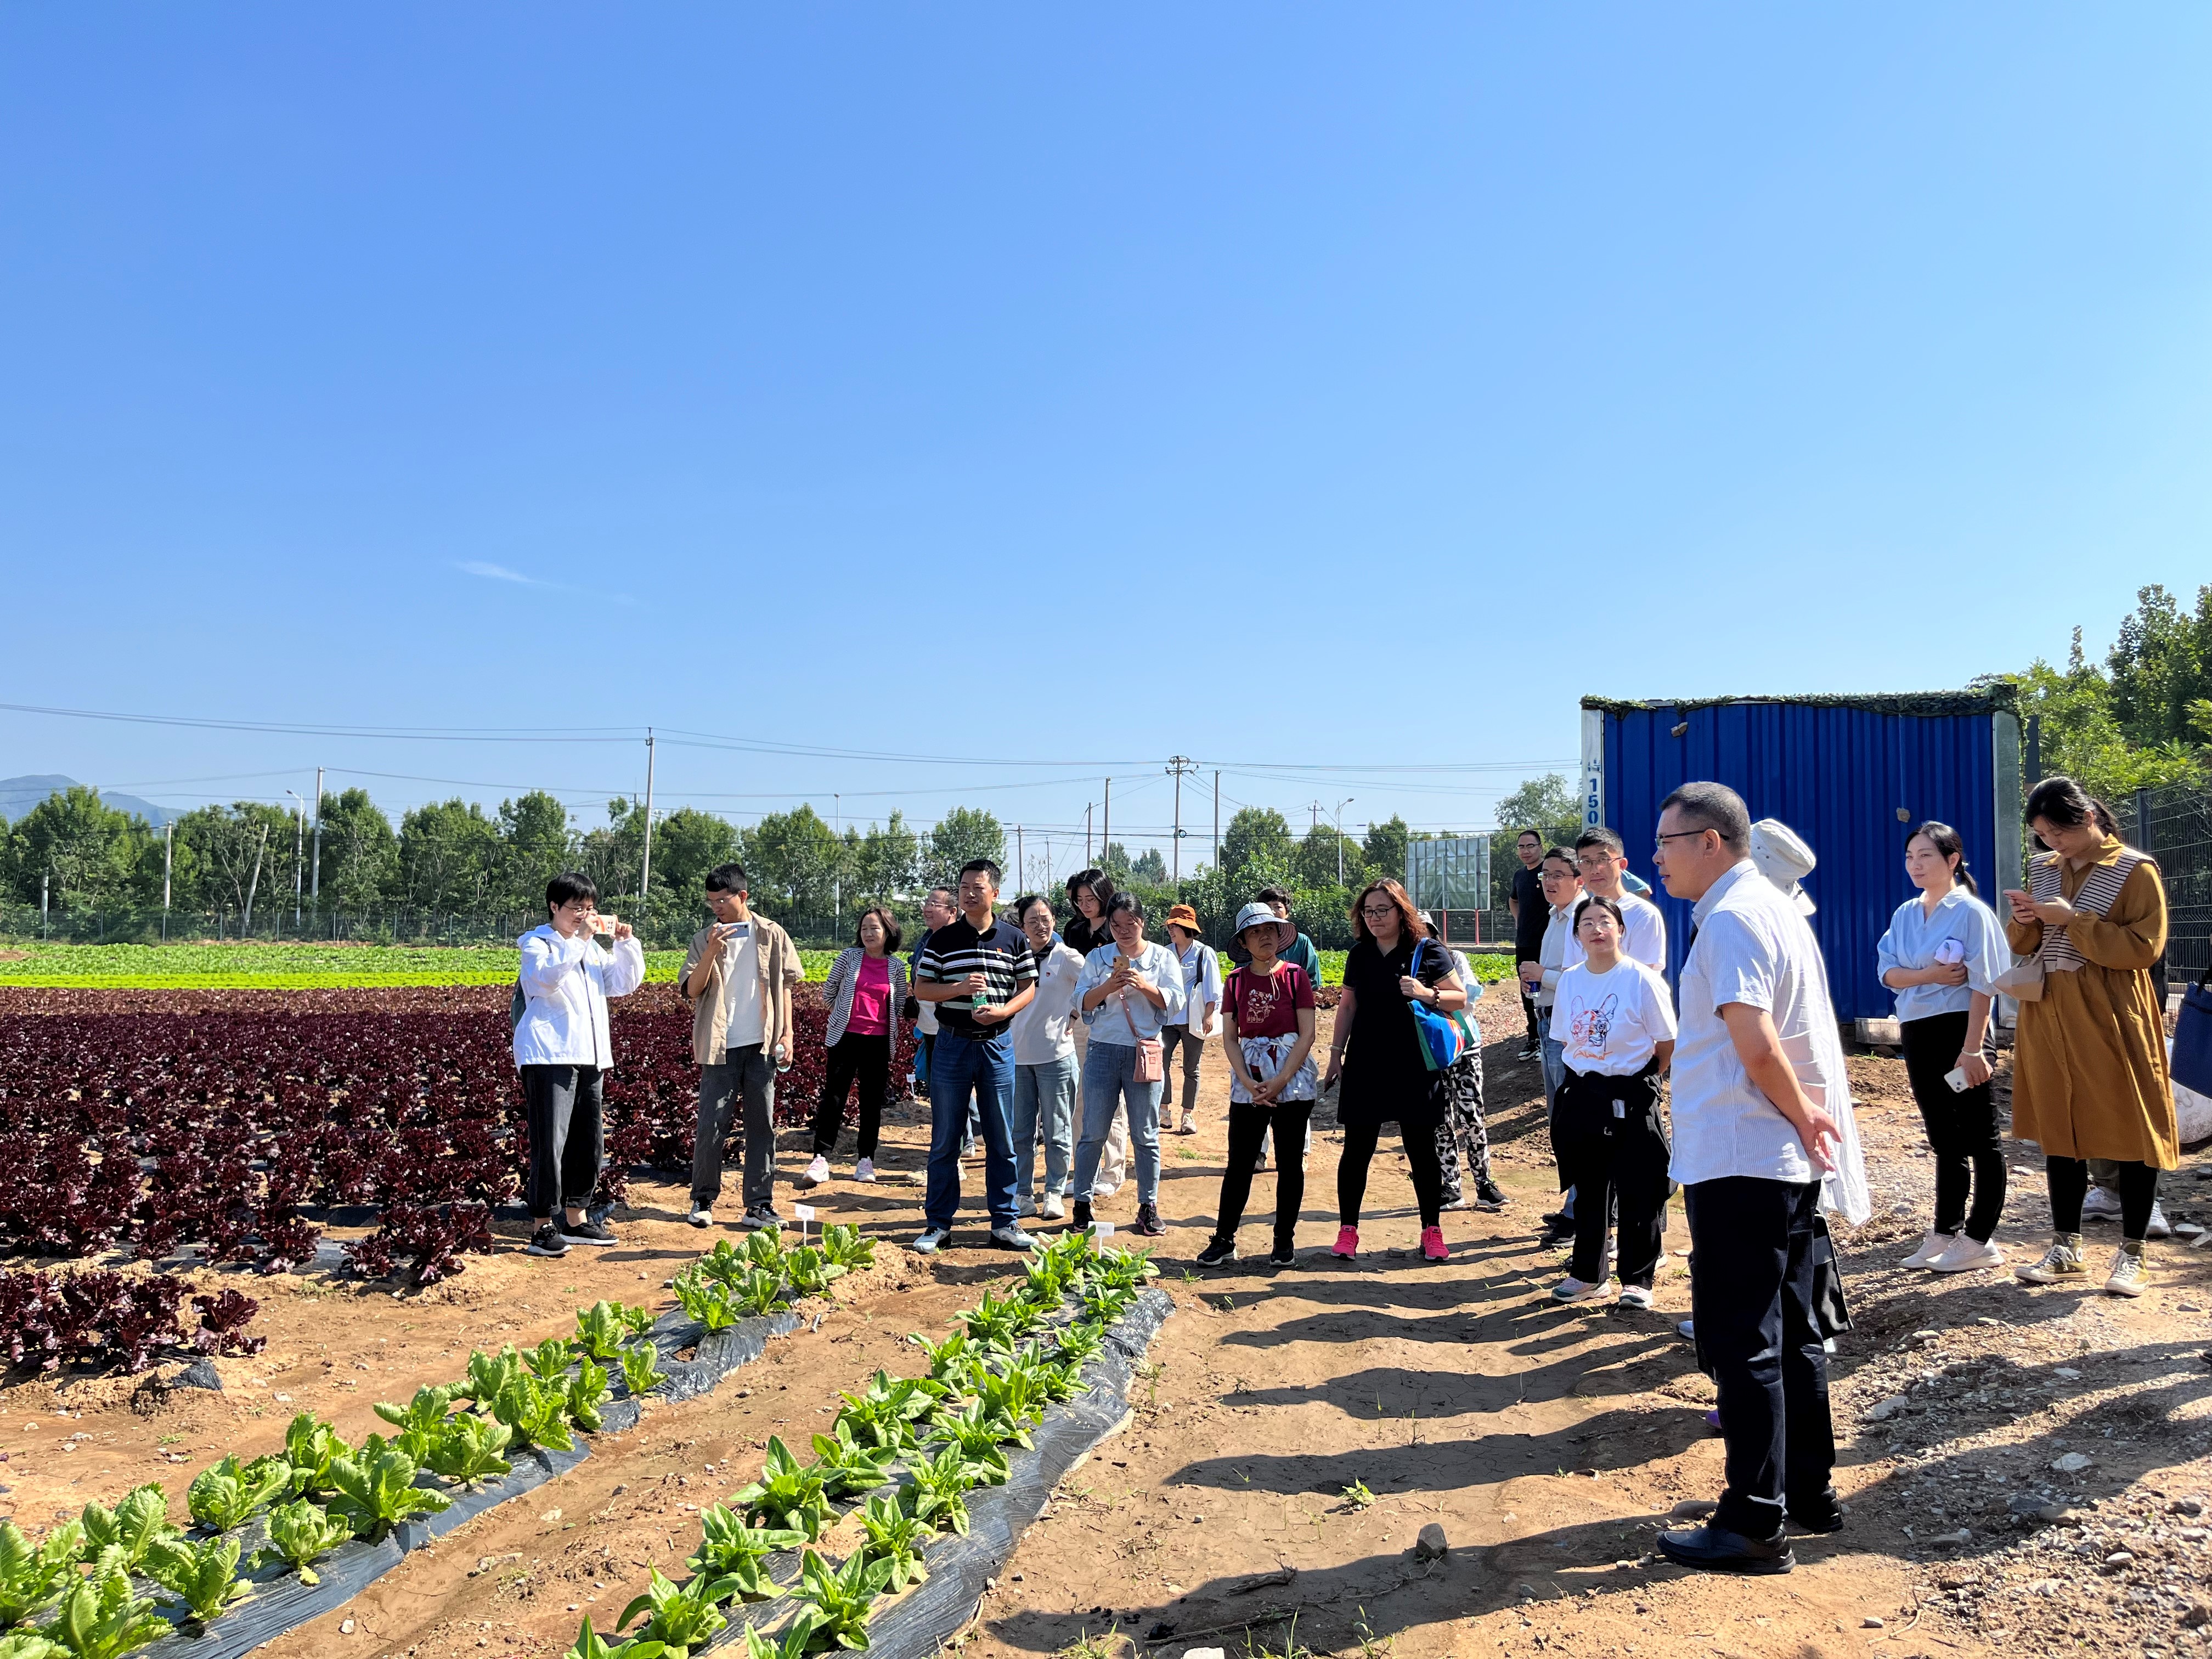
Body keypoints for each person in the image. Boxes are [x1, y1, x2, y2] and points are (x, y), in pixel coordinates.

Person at [1651, 781, 1867, 1575]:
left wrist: (1803, 1114)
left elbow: (1755, 1039)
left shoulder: (1734, 918)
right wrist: (1806, 1122)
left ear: (1710, 841)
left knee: (1744, 1343)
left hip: (1744, 1154)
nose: (1658, 858)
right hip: (1776, 1159)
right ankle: (1807, 1492)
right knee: (1795, 1332)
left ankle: (1753, 1521)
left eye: (1667, 842)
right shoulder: (1770, 907)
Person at [2006, 776, 2175, 1297]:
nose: (2052, 843)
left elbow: (2143, 948)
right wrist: (2026, 921)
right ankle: (2066, 1249)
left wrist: (2074, 920)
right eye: (2043, 835)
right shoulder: (2044, 869)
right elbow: (2025, 946)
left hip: (2110, 1013)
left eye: (2059, 832)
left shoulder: (2135, 869)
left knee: (2131, 1126)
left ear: (2087, 818)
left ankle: (2134, 1255)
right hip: (2049, 1011)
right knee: (2059, 1127)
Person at [1876, 822, 2010, 1273]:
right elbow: (1888, 974)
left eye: (1926, 855)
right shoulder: (1905, 914)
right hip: (1917, 1029)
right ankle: (1945, 1231)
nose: (1915, 864)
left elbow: (1985, 984)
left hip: (1961, 1030)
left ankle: (1980, 1239)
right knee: (1943, 1135)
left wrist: (1973, 1049)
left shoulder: (1971, 912)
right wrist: (1930, 976)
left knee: (1981, 1135)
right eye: (1910, 856)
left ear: (1953, 860)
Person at [1324, 878, 1466, 1265]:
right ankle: (1348, 1230)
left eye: (1382, 910)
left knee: (1421, 1149)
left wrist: (1426, 993)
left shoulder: (1427, 950)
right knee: (1357, 1149)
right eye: (1368, 911)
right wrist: (1335, 1055)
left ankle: (1432, 1231)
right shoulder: (1360, 954)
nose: (1374, 918)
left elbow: (1459, 997)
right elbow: (1348, 1006)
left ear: (1402, 912)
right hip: (1366, 1061)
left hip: (1414, 1064)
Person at [1548, 895, 1677, 1306]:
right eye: (1587, 923)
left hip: (1632, 1094)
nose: (1597, 929)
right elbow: (1567, 1040)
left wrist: (1643, 1080)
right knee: (1589, 1189)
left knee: (1639, 1186)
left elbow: (1666, 1042)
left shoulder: (1641, 979)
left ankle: (1638, 1280)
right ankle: (1588, 1275)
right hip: (1584, 1094)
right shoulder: (1570, 980)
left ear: (1621, 930)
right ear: (1577, 935)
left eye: (1605, 921)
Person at [515, 872, 647, 1257]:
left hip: (591, 1055)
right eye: (576, 909)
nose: (584, 916)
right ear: (554, 907)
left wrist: (626, 945)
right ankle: (542, 1225)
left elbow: (622, 984)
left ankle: (576, 1218)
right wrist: (581, 940)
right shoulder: (537, 944)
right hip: (549, 1055)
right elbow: (544, 981)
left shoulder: (590, 949)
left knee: (589, 1142)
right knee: (550, 1143)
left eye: (589, 909)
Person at [910, 859, 1039, 1254]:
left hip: (997, 1044)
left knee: (1002, 1137)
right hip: (951, 1044)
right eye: (964, 887)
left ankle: (1005, 1222)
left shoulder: (1014, 938)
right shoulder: (943, 940)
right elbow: (922, 989)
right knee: (945, 1138)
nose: (969, 893)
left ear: (994, 893)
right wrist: (959, 988)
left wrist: (1003, 1012)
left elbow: (1028, 987)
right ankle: (938, 1224)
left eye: (977, 887)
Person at [679, 863, 805, 1231]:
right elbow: (692, 990)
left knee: (762, 1125)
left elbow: (786, 986)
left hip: (762, 1044)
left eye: (723, 900)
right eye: (711, 902)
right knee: (712, 1124)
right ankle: (703, 1199)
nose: (717, 907)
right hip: (720, 1045)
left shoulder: (771, 934)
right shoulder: (704, 939)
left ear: (743, 896)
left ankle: (759, 1205)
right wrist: (711, 952)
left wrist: (788, 1034)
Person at [1197, 901, 1320, 1268]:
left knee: (1290, 1163)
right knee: (1239, 1163)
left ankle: (1284, 1241)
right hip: (1248, 1079)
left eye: (1269, 929)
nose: (1264, 936)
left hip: (1292, 1080)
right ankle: (1224, 1239)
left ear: (1279, 935)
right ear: (1244, 942)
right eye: (1255, 932)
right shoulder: (1235, 982)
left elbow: (1307, 1033)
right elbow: (1230, 1037)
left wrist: (1280, 1080)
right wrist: (1249, 1082)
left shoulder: (1296, 976)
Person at [1071, 892, 1187, 1238]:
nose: (1123, 931)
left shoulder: (1162, 957)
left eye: (1131, 924)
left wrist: (1144, 986)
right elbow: (1081, 1001)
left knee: (1145, 1134)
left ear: (1143, 923)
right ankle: (1082, 1202)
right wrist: (1109, 986)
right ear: (1109, 925)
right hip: (1103, 1051)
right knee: (1093, 1131)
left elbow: (1176, 1002)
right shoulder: (1098, 957)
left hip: (1145, 1050)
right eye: (1116, 925)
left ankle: (1148, 1205)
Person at [803, 906, 907, 1188]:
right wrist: (843, 1015)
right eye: (864, 929)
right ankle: (821, 1158)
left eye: (875, 928)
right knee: (834, 1097)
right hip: (845, 1038)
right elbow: (829, 993)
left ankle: (866, 1160)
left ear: (888, 932)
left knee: (871, 1102)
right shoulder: (849, 957)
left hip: (879, 1041)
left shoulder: (897, 967)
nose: (869, 934)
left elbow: (898, 1005)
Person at [1519, 848, 1584, 1242]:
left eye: (1560, 874)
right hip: (1549, 1022)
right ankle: (1574, 1206)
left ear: (1580, 879)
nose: (1550, 882)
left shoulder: (1582, 917)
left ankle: (1582, 1215)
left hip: (1569, 1027)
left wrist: (1544, 975)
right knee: (1561, 1120)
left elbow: (1587, 977)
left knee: (1573, 1120)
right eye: (1545, 875)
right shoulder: (1555, 916)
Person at [1011, 894, 1083, 1221]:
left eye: (1045, 919)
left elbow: (1094, 985)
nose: (1040, 926)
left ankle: (1054, 1191)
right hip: (1017, 1058)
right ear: (1022, 926)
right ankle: (1023, 1193)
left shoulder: (1067, 957)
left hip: (1056, 1056)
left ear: (1054, 920)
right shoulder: (1013, 957)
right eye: (1033, 921)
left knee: (1057, 1130)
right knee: (1020, 1133)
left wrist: (1075, 1012)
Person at [1435, 937, 1508, 1212]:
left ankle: (1484, 1184)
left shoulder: (1455, 958)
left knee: (1472, 1117)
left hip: (1464, 1048)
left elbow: (1465, 1001)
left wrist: (1430, 996)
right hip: (1432, 1052)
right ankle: (1450, 1186)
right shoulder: (1410, 963)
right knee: (1441, 1121)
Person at [1566, 827, 1668, 970]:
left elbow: (1641, 976)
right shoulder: (1577, 917)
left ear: (1622, 865)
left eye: (1603, 860)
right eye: (1586, 862)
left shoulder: (1644, 914)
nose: (1595, 870)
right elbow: (1569, 974)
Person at [1161, 904, 1222, 1135]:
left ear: (1188, 928)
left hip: (1193, 1020)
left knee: (1191, 1068)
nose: (1171, 930)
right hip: (1167, 1019)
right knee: (1161, 1063)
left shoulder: (1204, 953)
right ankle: (1164, 1110)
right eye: (1170, 926)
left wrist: (1209, 1015)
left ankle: (1187, 1114)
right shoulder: (1165, 953)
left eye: (1175, 926)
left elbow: (1213, 989)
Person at [907, 885, 956, 1102]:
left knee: (950, 1087)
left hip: (950, 1027)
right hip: (928, 1024)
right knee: (937, 1086)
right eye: (927, 903)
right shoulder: (927, 940)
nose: (927, 909)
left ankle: (971, 1123)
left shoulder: (959, 942)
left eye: (934, 904)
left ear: (953, 911)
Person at [1509, 830, 1549, 1060]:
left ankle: (1549, 1039)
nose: (1526, 851)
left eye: (1530, 846)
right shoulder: (1519, 876)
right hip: (1524, 944)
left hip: (1546, 944)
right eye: (1521, 847)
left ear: (1540, 847)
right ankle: (1534, 1037)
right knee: (1529, 992)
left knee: (1547, 989)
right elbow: (1513, 900)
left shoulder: (1548, 872)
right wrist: (1519, 920)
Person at [1063, 869, 1116, 955]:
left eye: (1090, 899)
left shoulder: (1118, 931)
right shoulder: (1075, 932)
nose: (1084, 905)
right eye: (1079, 900)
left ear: (1104, 896)